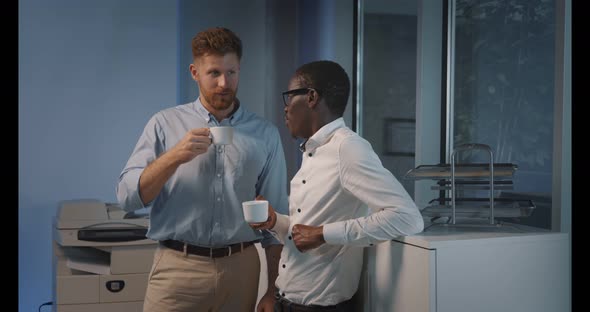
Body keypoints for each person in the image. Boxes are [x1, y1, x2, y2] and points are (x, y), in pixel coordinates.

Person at [116, 27, 288, 312]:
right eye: (214, 73)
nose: (224, 83)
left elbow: (275, 222)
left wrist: (272, 290)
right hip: (177, 268)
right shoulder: (164, 124)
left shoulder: (265, 134)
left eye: (231, 72)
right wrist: (175, 156)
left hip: (242, 270)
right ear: (195, 72)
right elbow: (127, 197)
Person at [250, 60, 424, 311]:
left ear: (311, 97)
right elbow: (305, 231)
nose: (285, 109)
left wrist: (322, 233)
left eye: (289, 98)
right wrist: (274, 221)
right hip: (285, 301)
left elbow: (407, 217)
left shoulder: (348, 148)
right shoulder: (315, 151)